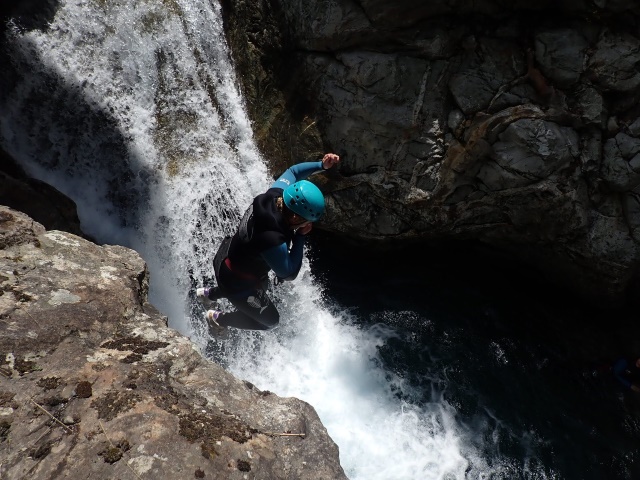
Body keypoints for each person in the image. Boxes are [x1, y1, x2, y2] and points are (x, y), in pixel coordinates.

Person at [196, 153, 340, 333]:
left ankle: (209, 294)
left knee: (263, 284)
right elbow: (289, 273)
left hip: (225, 255)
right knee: (270, 321)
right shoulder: (271, 238)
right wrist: (300, 237)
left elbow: (294, 172)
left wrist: (321, 165)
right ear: (295, 216)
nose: (307, 224)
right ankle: (218, 319)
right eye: (305, 221)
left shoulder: (273, 196)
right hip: (234, 281)